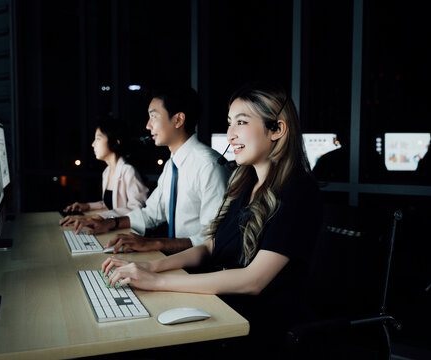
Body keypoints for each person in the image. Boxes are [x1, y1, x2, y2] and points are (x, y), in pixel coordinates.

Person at [100, 83, 322, 356]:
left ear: (276, 129)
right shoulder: (245, 184)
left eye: (241, 122)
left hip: (259, 327)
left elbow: (253, 281)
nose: (230, 134)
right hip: (225, 308)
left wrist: (156, 282)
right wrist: (152, 268)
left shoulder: (299, 191)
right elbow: (209, 247)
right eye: (229, 123)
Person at [71, 87, 229, 254]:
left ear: (178, 120)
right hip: (177, 260)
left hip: (201, 270)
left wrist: (155, 244)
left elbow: (213, 238)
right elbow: (151, 214)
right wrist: (109, 223)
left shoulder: (209, 166)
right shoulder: (172, 165)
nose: (147, 125)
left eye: (153, 116)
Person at [60, 120, 149, 224]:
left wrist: (98, 216)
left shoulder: (128, 171)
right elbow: (109, 204)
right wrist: (87, 206)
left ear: (115, 141)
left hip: (129, 230)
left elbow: (137, 209)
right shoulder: (106, 172)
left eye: (98, 139)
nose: (93, 144)